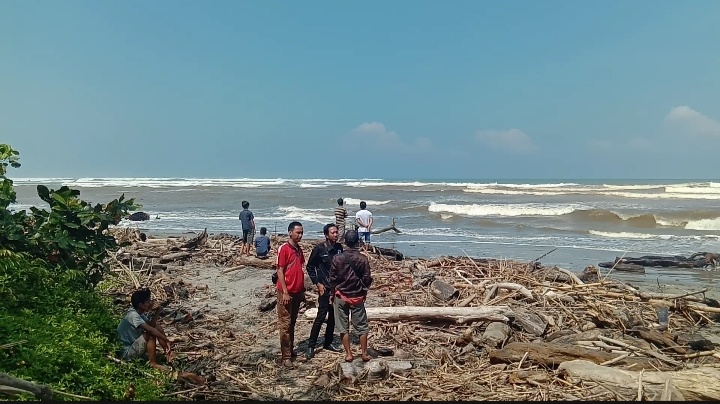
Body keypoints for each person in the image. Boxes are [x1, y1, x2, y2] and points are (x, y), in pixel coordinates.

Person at [330, 230, 373, 363]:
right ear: (357, 242)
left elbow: (332, 279)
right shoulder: (363, 259)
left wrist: (332, 294)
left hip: (341, 295)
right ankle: (364, 353)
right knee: (362, 327)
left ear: (345, 242)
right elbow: (367, 278)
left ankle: (349, 354)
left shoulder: (337, 258)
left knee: (343, 327)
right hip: (357, 296)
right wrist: (364, 292)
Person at [305, 223, 343, 359]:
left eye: (337, 232)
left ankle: (328, 343)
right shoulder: (319, 250)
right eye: (333, 232)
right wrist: (317, 283)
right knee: (321, 316)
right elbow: (310, 267)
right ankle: (311, 345)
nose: (336, 234)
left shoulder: (339, 248)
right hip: (324, 289)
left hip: (336, 288)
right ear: (326, 235)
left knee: (333, 317)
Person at [117, 289, 174, 370]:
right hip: (127, 352)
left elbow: (152, 325)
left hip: (134, 345)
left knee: (158, 328)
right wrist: (166, 340)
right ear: (140, 305)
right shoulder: (133, 315)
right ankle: (153, 363)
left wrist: (158, 311)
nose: (150, 303)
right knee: (150, 334)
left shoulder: (139, 313)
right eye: (148, 302)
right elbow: (150, 330)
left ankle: (167, 353)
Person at [275, 221, 306, 369]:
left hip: (297, 291)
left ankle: (290, 350)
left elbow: (300, 268)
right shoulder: (284, 249)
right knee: (285, 324)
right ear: (290, 233)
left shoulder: (299, 250)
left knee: (292, 323)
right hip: (285, 292)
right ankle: (285, 356)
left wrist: (302, 290)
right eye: (297, 232)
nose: (300, 235)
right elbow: (280, 271)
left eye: (301, 232)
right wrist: (285, 292)